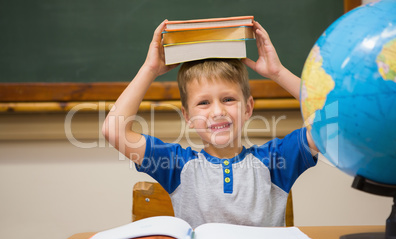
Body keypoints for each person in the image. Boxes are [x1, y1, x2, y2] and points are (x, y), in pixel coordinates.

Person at [102, 20, 319, 228]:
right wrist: (149, 69)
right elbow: (114, 131)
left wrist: (278, 73)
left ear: (248, 108)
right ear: (188, 117)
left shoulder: (276, 161)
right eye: (204, 103)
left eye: (228, 99)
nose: (217, 112)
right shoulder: (176, 165)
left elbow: (330, 122)